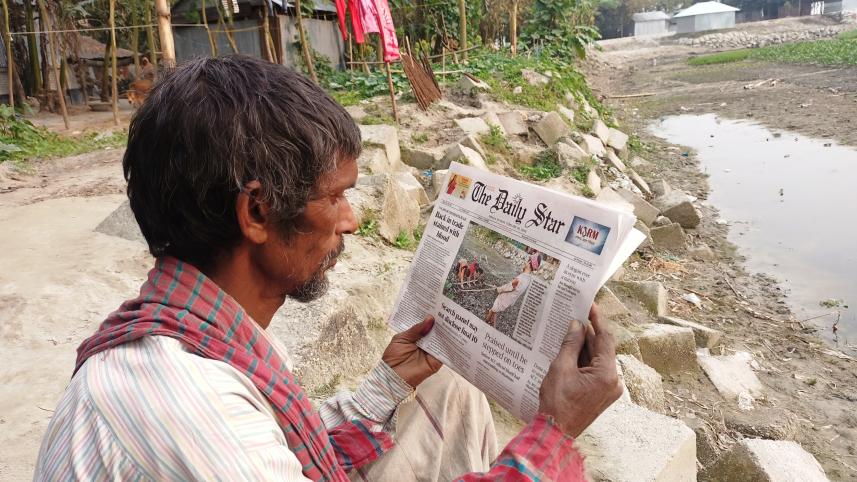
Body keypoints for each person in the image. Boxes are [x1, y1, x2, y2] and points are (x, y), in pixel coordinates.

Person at [34, 55, 622, 481]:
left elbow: (296, 440)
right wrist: (555, 432)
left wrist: (386, 386)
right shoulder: (187, 404)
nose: (352, 221)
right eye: (336, 197)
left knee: (443, 384)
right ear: (258, 211)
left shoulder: (204, 335)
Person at [485, 262, 532, 328]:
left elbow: (509, 287)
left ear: (529, 264)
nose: (525, 263)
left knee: (493, 310)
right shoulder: (528, 279)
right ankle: (490, 321)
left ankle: (488, 323)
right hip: (509, 300)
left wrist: (499, 289)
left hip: (504, 297)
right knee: (495, 310)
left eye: (528, 261)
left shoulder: (520, 278)